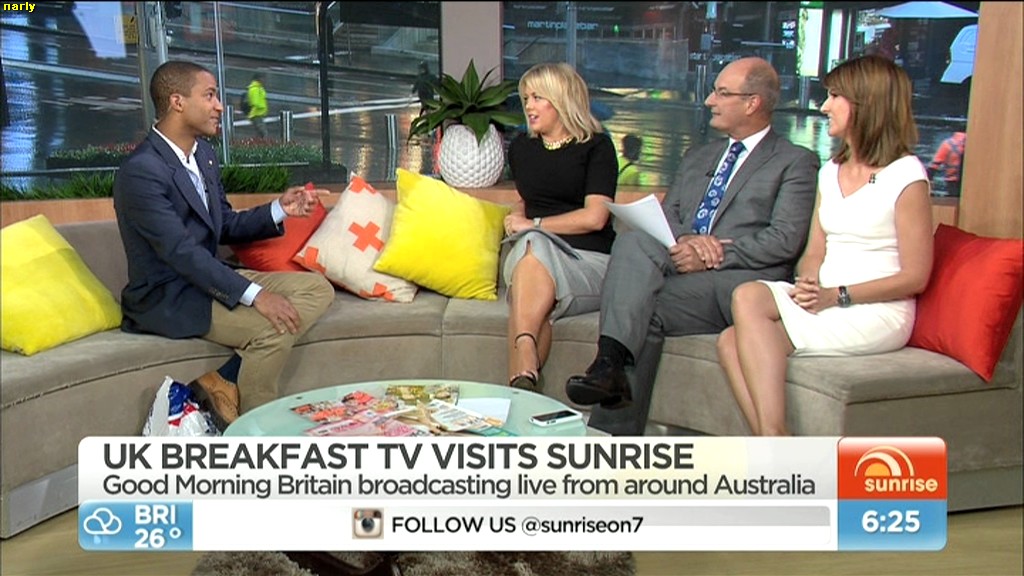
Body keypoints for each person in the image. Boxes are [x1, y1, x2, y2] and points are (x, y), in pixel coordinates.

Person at [564, 56, 819, 436]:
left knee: (640, 307)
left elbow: (784, 240)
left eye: (722, 93)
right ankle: (609, 368)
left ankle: (610, 429)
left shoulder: (794, 162)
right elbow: (669, 215)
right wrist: (686, 240)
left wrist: (713, 255)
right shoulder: (699, 156)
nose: (709, 101)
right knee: (634, 242)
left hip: (742, 281)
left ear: (752, 103)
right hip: (683, 264)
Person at [717, 55, 934, 436]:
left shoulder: (906, 176)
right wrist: (809, 282)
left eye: (834, 96)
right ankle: (776, 442)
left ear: (865, 104)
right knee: (734, 327)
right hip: (826, 298)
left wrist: (837, 295)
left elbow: (916, 277)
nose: (824, 106)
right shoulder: (831, 170)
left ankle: (773, 440)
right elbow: (815, 251)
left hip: (875, 310)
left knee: (739, 328)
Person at [113, 61, 335, 430]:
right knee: (273, 327)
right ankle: (258, 432)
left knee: (317, 289)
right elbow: (181, 253)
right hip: (170, 295)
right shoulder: (141, 171)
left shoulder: (204, 155)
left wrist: (281, 209)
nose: (220, 106)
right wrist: (256, 296)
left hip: (208, 280)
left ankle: (223, 379)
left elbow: (223, 224)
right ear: (177, 102)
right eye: (210, 95)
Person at [502, 62, 618, 392]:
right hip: (532, 255)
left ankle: (522, 371)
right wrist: (516, 215)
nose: (529, 106)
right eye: (526, 98)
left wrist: (534, 224)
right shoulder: (522, 148)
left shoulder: (597, 147)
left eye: (538, 97)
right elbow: (526, 199)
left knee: (533, 246)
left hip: (586, 259)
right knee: (533, 248)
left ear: (562, 99)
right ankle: (525, 361)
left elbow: (595, 217)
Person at [927, 131, 966, 196]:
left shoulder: (947, 144)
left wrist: (928, 179)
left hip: (952, 180)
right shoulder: (975, 144)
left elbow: (935, 164)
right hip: (971, 181)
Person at [246, 72, 268, 138]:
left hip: (259, 114)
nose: (264, 80)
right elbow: (254, 102)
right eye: (263, 78)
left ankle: (257, 143)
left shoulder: (259, 88)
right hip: (256, 114)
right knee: (263, 133)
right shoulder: (255, 89)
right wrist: (261, 107)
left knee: (260, 133)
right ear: (258, 79)